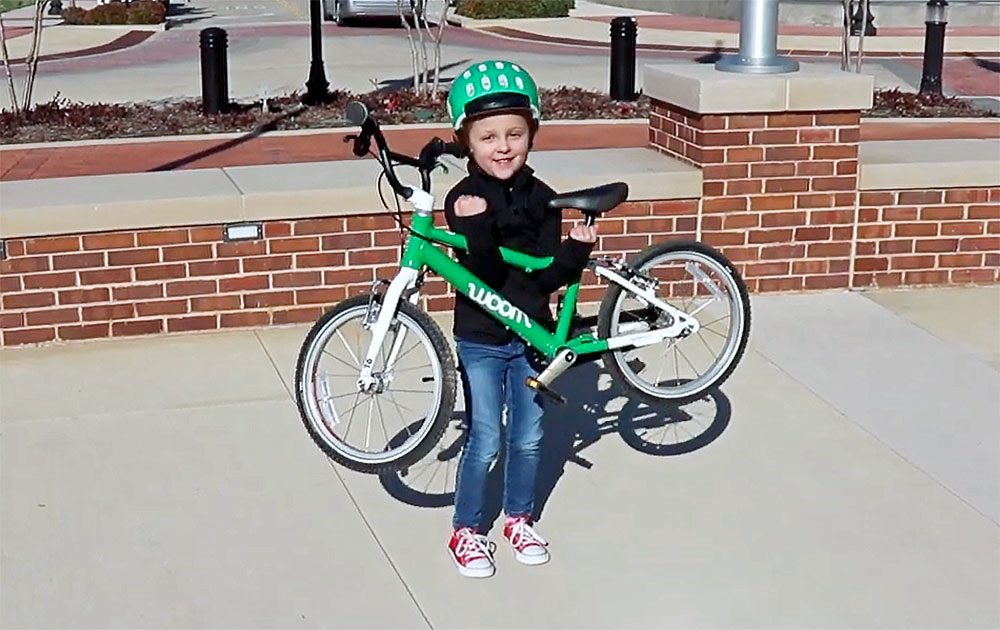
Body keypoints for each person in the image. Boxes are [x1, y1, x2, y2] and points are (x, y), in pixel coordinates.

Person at [442, 60, 599, 578]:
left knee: (529, 435)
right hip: (483, 339)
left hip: (529, 338)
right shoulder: (462, 199)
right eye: (488, 136)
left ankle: (518, 518)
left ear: (531, 134)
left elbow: (547, 277)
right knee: (486, 435)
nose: (503, 146)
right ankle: (466, 529)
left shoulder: (543, 198)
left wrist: (574, 253)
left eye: (515, 133)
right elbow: (481, 272)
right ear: (468, 142)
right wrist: (475, 225)